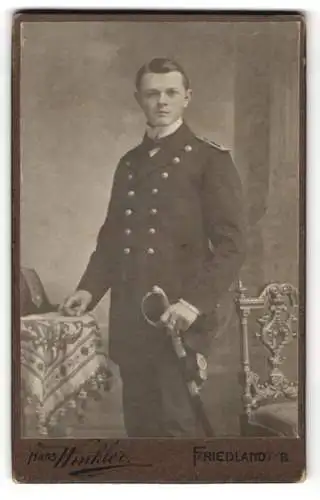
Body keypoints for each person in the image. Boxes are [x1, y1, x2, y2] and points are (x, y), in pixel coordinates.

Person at [61, 58, 245, 437]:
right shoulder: (128, 164)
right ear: (138, 99)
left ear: (187, 97)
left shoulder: (210, 160)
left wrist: (192, 303)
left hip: (178, 320)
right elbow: (113, 240)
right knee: (141, 429)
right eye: (152, 93)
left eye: (171, 93)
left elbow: (232, 246)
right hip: (132, 318)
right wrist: (88, 289)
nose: (162, 101)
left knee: (178, 428)